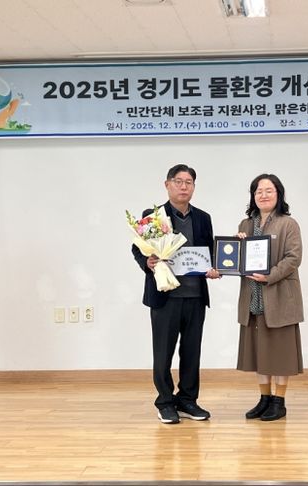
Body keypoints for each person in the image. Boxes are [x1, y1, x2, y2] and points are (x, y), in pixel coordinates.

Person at [132, 164, 220, 425]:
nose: (184, 187)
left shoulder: (203, 217)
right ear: (167, 184)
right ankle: (165, 402)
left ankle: (188, 400)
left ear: (194, 187)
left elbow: (209, 251)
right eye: (178, 181)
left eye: (188, 182)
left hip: (195, 296)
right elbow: (138, 249)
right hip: (165, 297)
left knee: (192, 352)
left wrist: (216, 268)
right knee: (163, 353)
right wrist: (147, 262)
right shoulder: (154, 216)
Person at [236, 174, 304, 421]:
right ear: (253, 196)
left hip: (278, 295)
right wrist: (236, 246)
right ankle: (264, 399)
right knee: (260, 351)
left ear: (279, 194)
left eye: (269, 190)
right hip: (252, 296)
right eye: (258, 191)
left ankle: (279, 402)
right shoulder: (245, 224)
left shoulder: (288, 224)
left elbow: (293, 258)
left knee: (280, 352)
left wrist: (270, 276)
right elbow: (238, 260)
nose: (263, 195)